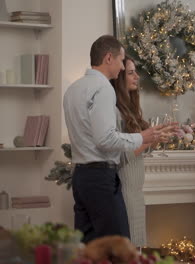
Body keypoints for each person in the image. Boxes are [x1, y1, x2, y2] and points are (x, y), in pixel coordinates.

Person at [63, 35, 164, 243]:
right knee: (120, 248)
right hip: (100, 178)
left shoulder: (73, 89)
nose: (120, 67)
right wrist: (142, 137)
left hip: (81, 177)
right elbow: (105, 140)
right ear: (109, 58)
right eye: (120, 60)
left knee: (88, 250)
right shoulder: (103, 89)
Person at [110, 56, 173, 247]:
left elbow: (136, 150)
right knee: (128, 247)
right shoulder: (115, 111)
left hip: (136, 191)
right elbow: (120, 156)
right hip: (125, 191)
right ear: (120, 79)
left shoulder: (131, 109)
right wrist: (148, 140)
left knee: (136, 245)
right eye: (131, 73)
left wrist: (155, 139)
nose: (137, 76)